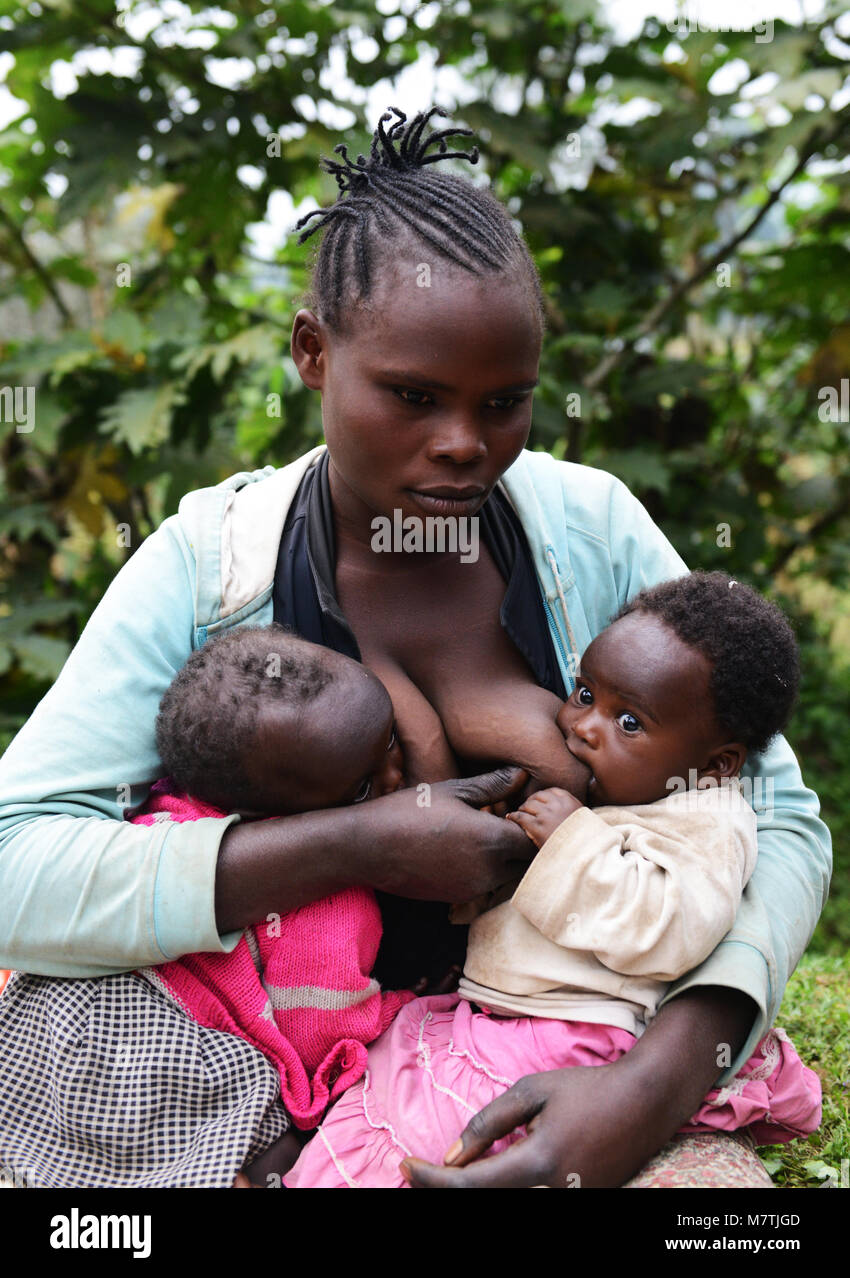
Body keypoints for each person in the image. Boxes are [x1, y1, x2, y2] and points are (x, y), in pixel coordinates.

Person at [0, 106, 831, 1188]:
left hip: (567, 1054)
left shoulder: (590, 533)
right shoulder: (211, 569)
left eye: (507, 402)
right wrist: (352, 844)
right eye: (413, 396)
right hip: (258, 1092)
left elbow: (778, 820)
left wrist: (654, 1083)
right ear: (313, 352)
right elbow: (19, 861)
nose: (463, 444)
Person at [284, 573, 822, 1187]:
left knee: (433, 1123)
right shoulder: (620, 795)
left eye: (629, 723)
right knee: (386, 1087)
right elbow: (538, 918)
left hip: (581, 1034)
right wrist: (493, 867)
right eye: (585, 692)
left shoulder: (708, 818)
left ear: (716, 764)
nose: (585, 726)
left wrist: (568, 843)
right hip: (504, 1018)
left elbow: (671, 927)